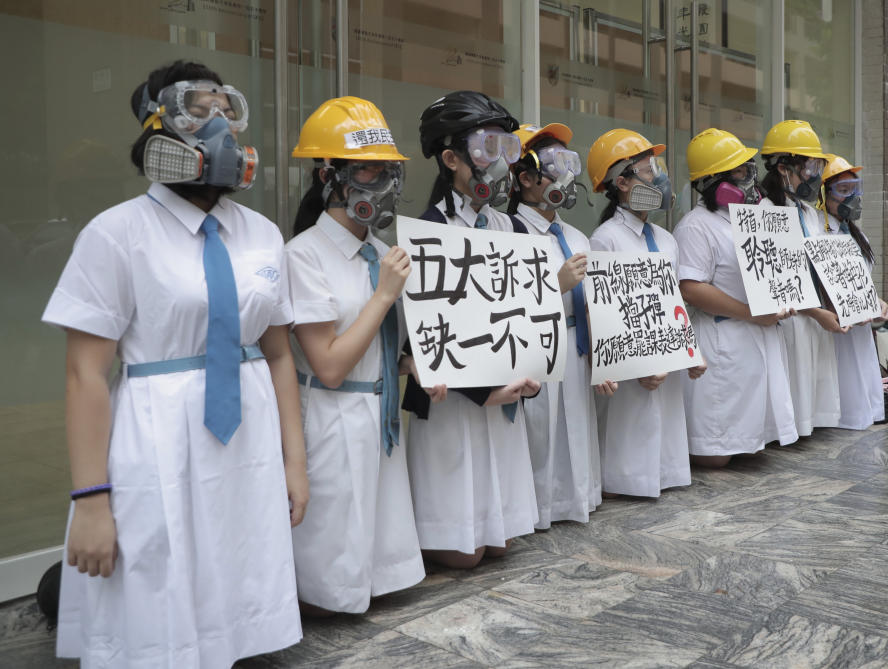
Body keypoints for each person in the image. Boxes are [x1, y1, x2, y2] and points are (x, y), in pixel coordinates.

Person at [42, 61, 307, 668]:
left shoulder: (263, 234)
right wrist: (89, 501)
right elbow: (85, 375)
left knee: (237, 560)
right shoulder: (116, 234)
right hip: (155, 435)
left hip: (249, 436)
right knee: (159, 582)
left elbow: (278, 355)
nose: (217, 126)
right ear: (156, 127)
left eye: (226, 110)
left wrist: (296, 463)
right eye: (198, 109)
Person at [285, 97, 429, 614]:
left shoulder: (379, 249)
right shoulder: (303, 255)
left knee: (377, 565)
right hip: (333, 418)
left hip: (379, 414)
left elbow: (380, 346)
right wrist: (385, 295)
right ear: (331, 177)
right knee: (330, 575)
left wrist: (416, 365)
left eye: (389, 171)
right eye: (369, 170)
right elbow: (328, 365)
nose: (385, 184)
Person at [404, 90, 540, 568]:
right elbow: (420, 338)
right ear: (450, 159)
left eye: (509, 147)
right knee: (464, 552)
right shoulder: (425, 232)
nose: (501, 161)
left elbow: (529, 315)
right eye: (487, 147)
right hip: (454, 403)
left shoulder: (513, 230)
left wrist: (529, 376)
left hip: (506, 397)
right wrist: (484, 390)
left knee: (500, 544)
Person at [587, 129, 704, 493]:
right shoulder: (605, 238)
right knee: (631, 432)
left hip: (665, 364)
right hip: (630, 370)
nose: (659, 177)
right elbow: (603, 312)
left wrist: (689, 352)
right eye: (649, 169)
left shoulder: (666, 239)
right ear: (621, 182)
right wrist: (636, 368)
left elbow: (673, 305)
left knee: (664, 428)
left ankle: (664, 474)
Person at [674, 128, 799, 467]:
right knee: (715, 456)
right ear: (714, 181)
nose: (750, 179)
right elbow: (690, 287)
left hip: (757, 336)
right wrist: (750, 313)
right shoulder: (695, 225)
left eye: (748, 169)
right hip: (723, 335)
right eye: (740, 172)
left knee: (751, 443)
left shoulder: (756, 217)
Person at [507, 122, 609, 526]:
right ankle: (535, 509)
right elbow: (504, 304)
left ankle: (575, 498)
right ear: (525, 176)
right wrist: (555, 285)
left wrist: (607, 359)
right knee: (540, 432)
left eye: (569, 162)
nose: (565, 175)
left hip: (574, 345)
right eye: (553, 164)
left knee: (575, 427)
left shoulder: (576, 236)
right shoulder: (509, 232)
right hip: (533, 345)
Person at [760, 120, 842, 436]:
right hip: (790, 317)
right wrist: (816, 311)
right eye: (808, 166)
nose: (814, 175)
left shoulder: (808, 211)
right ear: (783, 167)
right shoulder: (765, 210)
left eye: (816, 165)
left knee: (813, 397)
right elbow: (777, 278)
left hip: (817, 315)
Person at [818, 153, 888, 429]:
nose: (852, 197)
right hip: (835, 330)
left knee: (863, 396)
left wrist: (877, 302)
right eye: (843, 190)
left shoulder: (858, 235)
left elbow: (862, 283)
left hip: (860, 330)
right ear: (824, 194)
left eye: (855, 189)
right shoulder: (818, 234)